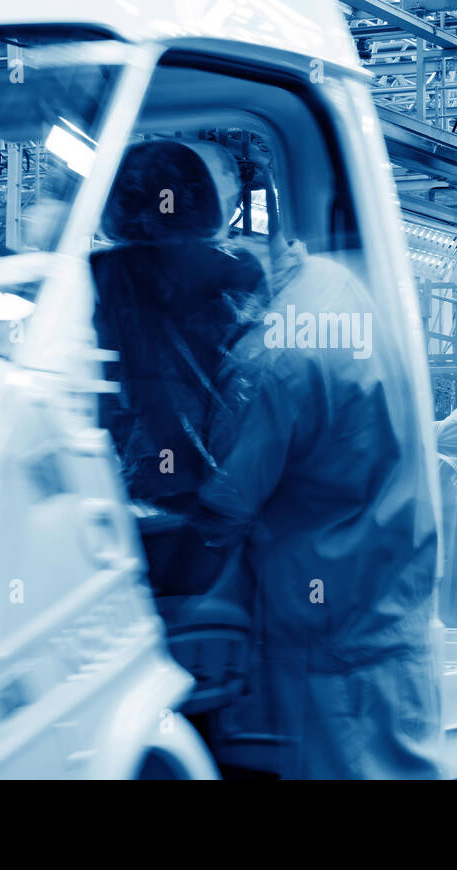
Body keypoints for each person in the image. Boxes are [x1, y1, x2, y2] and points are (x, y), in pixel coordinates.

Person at [195, 237, 442, 779]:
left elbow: (222, 508)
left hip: (331, 644)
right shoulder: (333, 285)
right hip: (391, 617)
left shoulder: (270, 358)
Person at [91, 139, 269, 594]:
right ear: (207, 201)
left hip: (120, 498)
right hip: (221, 501)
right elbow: (258, 386)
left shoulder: (95, 274)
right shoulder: (240, 271)